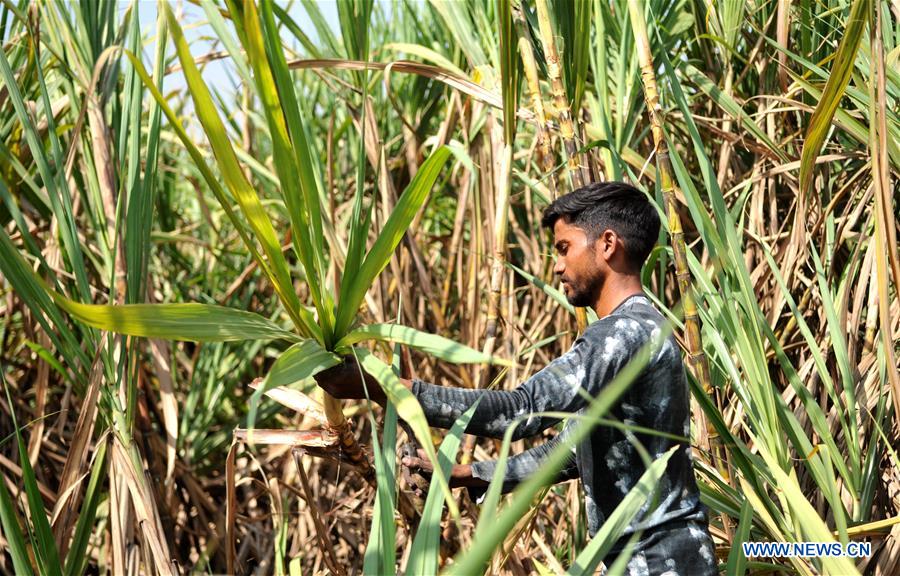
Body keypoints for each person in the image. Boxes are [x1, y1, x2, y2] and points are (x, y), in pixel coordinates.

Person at [315, 182, 718, 575]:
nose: (557, 265)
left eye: (564, 248)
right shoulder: (641, 331)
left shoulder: (621, 335)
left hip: (661, 561)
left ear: (608, 245)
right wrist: (471, 474)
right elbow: (572, 451)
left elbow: (522, 411)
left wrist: (387, 390)